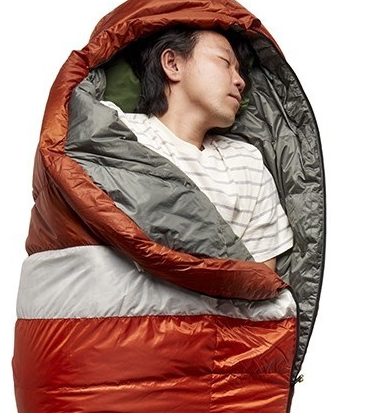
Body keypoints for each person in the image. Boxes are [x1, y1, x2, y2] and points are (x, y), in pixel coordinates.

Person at [101, 26, 294, 271]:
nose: (240, 81)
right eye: (225, 62)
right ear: (173, 64)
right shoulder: (117, 129)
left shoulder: (247, 162)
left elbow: (258, 279)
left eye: (239, 70)